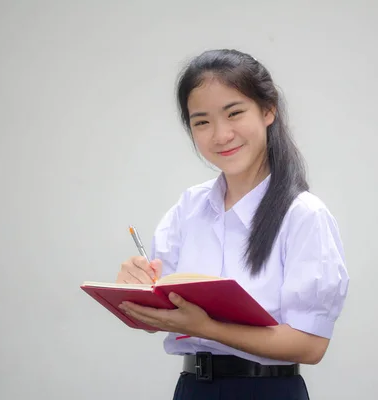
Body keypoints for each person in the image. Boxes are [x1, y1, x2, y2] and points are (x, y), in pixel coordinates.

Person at [116, 49, 349, 399]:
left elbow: (311, 345)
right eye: (202, 122)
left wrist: (207, 328)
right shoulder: (188, 208)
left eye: (234, 113)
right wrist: (134, 291)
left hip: (267, 391)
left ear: (268, 110)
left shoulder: (303, 215)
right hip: (193, 390)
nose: (221, 134)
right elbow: (163, 314)